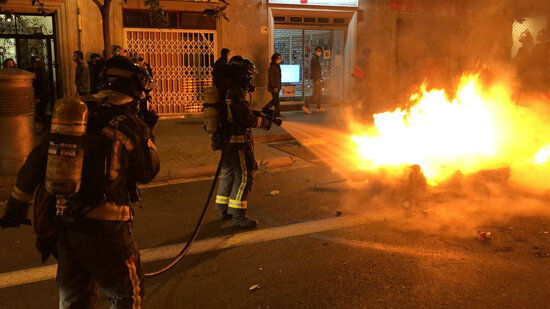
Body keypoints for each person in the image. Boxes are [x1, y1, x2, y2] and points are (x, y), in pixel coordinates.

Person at [0, 55, 160, 308]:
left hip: (66, 224)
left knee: (76, 299)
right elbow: (147, 172)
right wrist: (148, 136)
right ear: (135, 89)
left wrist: (16, 207)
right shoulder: (131, 123)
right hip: (108, 229)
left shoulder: (76, 112)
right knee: (129, 295)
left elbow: (35, 162)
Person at [215, 55, 274, 228]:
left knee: (229, 175)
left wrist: (259, 113)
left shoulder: (227, 89)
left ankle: (223, 209)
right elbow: (245, 118)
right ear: (242, 75)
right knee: (244, 177)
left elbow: (238, 112)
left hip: (227, 141)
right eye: (249, 75)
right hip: (238, 142)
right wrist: (263, 122)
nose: (251, 78)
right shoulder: (237, 91)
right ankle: (238, 216)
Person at [29, 56, 51, 127]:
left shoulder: (42, 73)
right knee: (39, 111)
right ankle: (46, 126)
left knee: (41, 111)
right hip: (40, 95)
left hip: (43, 96)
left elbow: (42, 86)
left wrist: (38, 97)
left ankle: (47, 126)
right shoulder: (35, 72)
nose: (34, 64)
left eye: (35, 63)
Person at [303, 46, 324, 114]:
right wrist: (317, 79)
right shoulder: (315, 58)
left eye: (320, 51)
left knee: (319, 93)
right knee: (315, 94)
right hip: (316, 79)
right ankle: (306, 106)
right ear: (315, 51)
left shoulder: (316, 58)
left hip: (316, 78)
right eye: (318, 50)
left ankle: (318, 107)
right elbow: (315, 69)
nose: (319, 52)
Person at [262, 53, 282, 119]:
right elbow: (271, 78)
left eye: (280, 58)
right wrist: (274, 87)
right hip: (274, 87)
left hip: (277, 86)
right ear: (274, 59)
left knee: (275, 100)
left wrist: (279, 86)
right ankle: (277, 114)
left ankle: (265, 108)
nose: (279, 59)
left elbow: (279, 77)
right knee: (276, 101)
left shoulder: (277, 66)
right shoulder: (272, 67)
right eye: (278, 58)